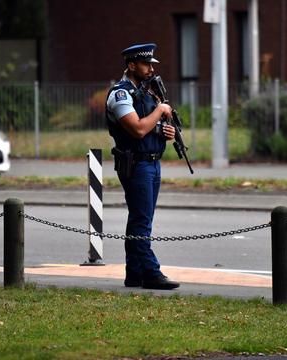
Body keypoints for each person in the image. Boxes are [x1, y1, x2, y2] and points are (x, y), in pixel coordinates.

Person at [105, 43, 180, 290]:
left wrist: (164, 131)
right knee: (141, 220)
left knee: (141, 219)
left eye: (151, 64)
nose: (150, 68)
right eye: (146, 64)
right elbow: (137, 129)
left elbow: (149, 128)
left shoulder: (147, 93)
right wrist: (159, 111)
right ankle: (150, 272)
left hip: (152, 163)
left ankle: (134, 273)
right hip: (136, 165)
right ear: (131, 65)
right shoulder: (121, 94)